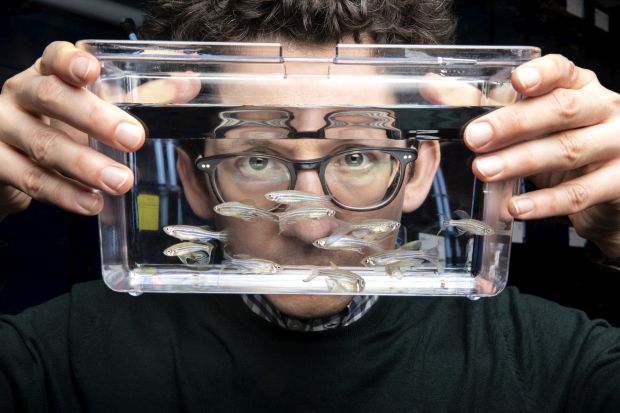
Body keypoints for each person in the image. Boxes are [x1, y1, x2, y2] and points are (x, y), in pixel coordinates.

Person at [1, 0, 620, 411]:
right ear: (192, 178)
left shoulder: (556, 364)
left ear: (420, 171)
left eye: (354, 156)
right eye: (258, 160)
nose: (310, 222)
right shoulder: (59, 361)